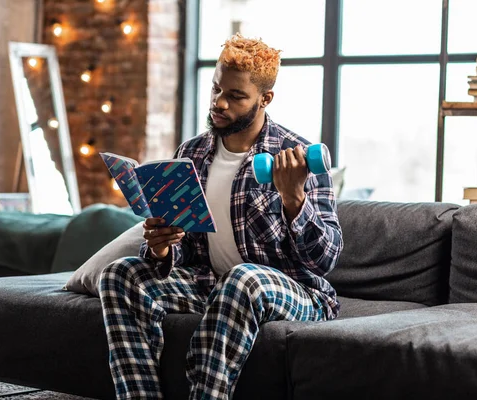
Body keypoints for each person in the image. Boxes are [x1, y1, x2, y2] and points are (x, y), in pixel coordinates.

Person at [98, 34, 343, 400]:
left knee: (243, 279)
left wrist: (294, 198)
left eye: (236, 96)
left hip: (296, 292)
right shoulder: (192, 152)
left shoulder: (297, 157)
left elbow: (324, 260)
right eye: (216, 89)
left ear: (265, 99)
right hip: (211, 285)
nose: (219, 102)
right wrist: (163, 249)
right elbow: (190, 250)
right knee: (119, 275)